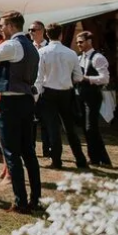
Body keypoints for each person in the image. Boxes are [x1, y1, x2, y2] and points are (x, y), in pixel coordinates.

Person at [0, 11, 42, 214]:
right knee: (29, 153)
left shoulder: (12, 45)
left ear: (12, 26)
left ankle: (20, 202)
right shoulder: (31, 47)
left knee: (12, 152)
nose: (1, 29)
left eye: (3, 25)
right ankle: (35, 199)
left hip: (11, 103)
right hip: (26, 100)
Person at [34, 23, 88, 170]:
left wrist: (35, 98)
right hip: (66, 93)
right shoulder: (71, 53)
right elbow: (78, 76)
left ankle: (56, 160)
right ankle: (81, 159)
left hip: (48, 92)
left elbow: (38, 78)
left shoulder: (42, 52)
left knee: (53, 128)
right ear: (61, 35)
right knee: (70, 129)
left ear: (46, 35)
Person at [75, 31, 112, 167]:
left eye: (81, 42)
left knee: (91, 127)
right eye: (78, 42)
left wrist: (86, 79)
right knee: (86, 128)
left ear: (89, 41)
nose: (78, 44)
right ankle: (97, 158)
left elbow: (105, 78)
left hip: (93, 96)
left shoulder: (98, 58)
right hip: (81, 95)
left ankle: (100, 158)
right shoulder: (79, 58)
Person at [28, 21, 50, 157]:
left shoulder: (49, 48)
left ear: (42, 31)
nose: (30, 32)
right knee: (30, 122)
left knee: (46, 122)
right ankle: (31, 148)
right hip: (30, 89)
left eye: (33, 30)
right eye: (29, 30)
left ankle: (47, 150)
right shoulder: (28, 47)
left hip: (45, 89)